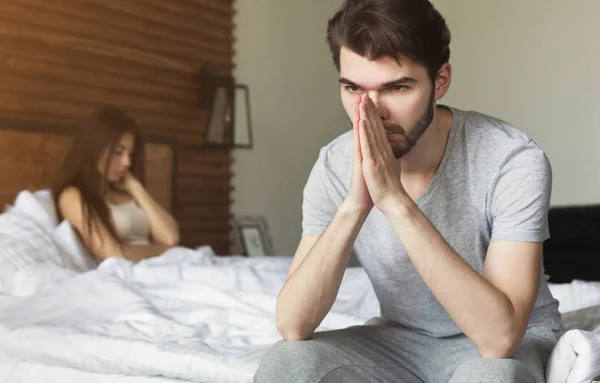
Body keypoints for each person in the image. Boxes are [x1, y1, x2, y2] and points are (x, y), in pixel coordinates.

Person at [254, 0, 563, 382]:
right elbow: (293, 325)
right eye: (353, 88)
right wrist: (354, 206)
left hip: (508, 343)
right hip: (399, 340)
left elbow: (499, 339)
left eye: (396, 88)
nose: (370, 112)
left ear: (441, 81)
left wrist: (395, 202)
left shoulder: (512, 159)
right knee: (286, 364)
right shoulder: (333, 164)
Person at [53, 107, 180, 263]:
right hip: (128, 272)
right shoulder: (72, 196)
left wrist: (137, 189)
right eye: (118, 152)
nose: (127, 162)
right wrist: (164, 252)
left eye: (130, 154)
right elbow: (113, 254)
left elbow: (171, 238)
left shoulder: (127, 191)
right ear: (95, 150)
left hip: (159, 266)